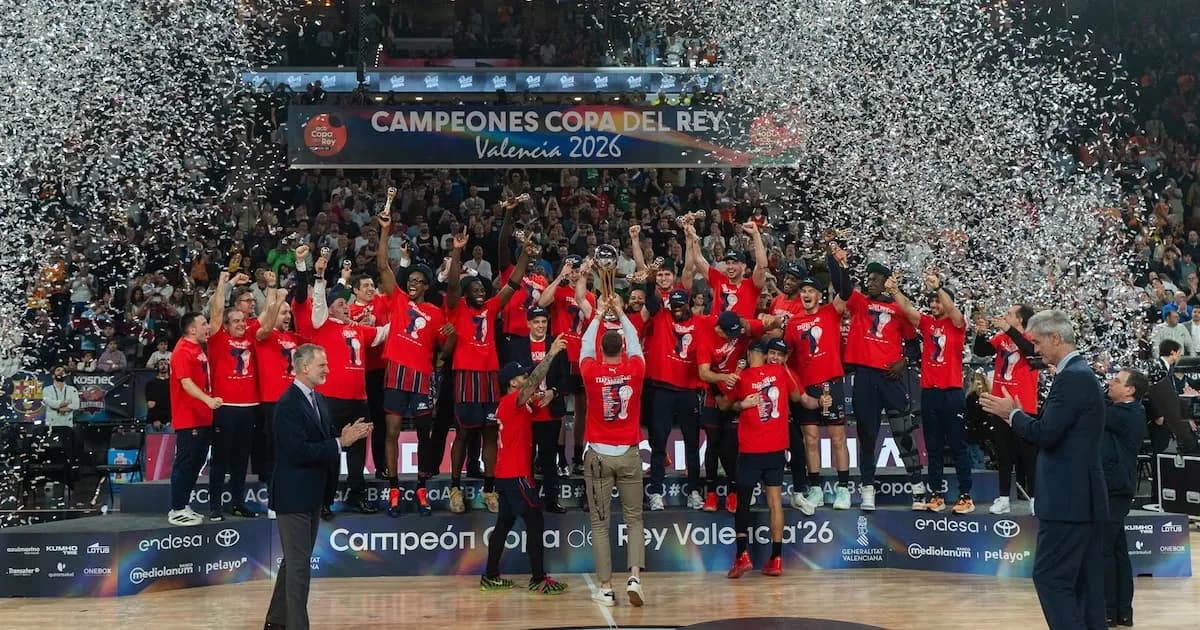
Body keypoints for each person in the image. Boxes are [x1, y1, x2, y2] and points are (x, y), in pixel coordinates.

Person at [981, 310, 1108, 630]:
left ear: (1056, 338)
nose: (1033, 349)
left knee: (1051, 578)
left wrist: (1013, 415)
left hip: (1069, 500)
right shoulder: (1078, 374)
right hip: (1079, 498)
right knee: (1083, 583)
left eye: (1037, 342)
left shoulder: (1074, 377)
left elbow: (1046, 434)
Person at [264, 344, 372, 630]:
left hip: (312, 495)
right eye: (322, 365)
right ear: (303, 368)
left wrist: (347, 434)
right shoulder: (287, 405)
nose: (327, 369)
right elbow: (298, 451)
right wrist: (340, 442)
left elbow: (325, 438)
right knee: (299, 567)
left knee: (293, 562)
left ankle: (275, 622)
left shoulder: (319, 399)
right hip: (293, 496)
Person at [445, 227, 532, 513]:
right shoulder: (457, 308)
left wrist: (526, 255)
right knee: (464, 433)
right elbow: (455, 284)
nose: (481, 293)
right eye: (476, 290)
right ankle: (455, 487)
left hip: (489, 376)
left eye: (483, 289)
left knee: (490, 433)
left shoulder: (492, 307)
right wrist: (458, 250)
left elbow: (514, 283)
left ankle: (489, 489)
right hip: (466, 375)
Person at [827, 246, 919, 510]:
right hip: (865, 376)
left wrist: (904, 361)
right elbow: (841, 287)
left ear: (886, 282)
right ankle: (868, 487)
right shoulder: (858, 302)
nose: (872, 282)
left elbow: (914, 346)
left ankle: (917, 487)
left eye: (877, 279)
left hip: (890, 376)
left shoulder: (899, 309)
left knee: (903, 433)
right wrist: (837, 262)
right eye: (869, 278)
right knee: (867, 435)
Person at [726, 338, 823, 578]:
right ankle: (776, 559)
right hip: (776, 449)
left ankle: (742, 556)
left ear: (750, 354)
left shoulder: (744, 377)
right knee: (775, 502)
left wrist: (741, 403)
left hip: (751, 449)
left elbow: (726, 404)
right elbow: (797, 397)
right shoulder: (781, 371)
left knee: (744, 501)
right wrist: (820, 401)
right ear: (765, 354)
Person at [480, 337, 570, 595]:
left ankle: (490, 575)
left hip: (505, 474)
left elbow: (535, 394)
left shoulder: (510, 405)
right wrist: (551, 354)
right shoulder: (511, 402)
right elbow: (533, 383)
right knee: (535, 521)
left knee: (503, 524)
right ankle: (538, 578)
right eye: (521, 377)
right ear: (512, 383)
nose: (526, 379)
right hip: (517, 474)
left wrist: (548, 393)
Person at [376, 217, 451, 516]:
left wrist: (450, 339)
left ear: (426, 286)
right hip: (396, 371)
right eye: (410, 280)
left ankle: (421, 489)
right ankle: (393, 488)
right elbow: (383, 266)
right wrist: (385, 231)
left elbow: (443, 352)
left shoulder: (435, 312)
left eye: (418, 281)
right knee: (391, 431)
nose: (412, 283)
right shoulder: (397, 300)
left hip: (422, 375)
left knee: (424, 434)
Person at [580, 296, 647, 608]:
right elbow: (635, 342)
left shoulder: (590, 371)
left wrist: (598, 315)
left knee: (600, 523)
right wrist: (620, 311)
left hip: (598, 456)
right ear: (620, 349)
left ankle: (606, 587)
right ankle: (634, 577)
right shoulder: (635, 369)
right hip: (630, 454)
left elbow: (584, 345)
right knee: (634, 519)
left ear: (600, 351)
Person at [889, 273, 973, 513]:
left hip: (952, 393)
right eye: (931, 301)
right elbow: (908, 310)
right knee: (933, 447)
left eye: (937, 300)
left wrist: (939, 287)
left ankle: (965, 495)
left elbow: (954, 312)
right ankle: (936, 494)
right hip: (930, 393)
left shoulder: (957, 325)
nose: (934, 304)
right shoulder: (927, 323)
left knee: (958, 447)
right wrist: (895, 291)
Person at [783, 273, 852, 514]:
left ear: (820, 296)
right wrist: (799, 391)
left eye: (811, 291)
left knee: (838, 438)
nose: (805, 295)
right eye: (803, 291)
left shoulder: (830, 312)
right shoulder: (792, 324)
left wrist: (838, 264)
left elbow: (846, 290)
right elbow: (786, 360)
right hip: (807, 387)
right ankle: (816, 489)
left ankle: (843, 488)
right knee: (810, 440)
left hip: (831, 383)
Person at [972, 304, 1041, 514]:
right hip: (1000, 404)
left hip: (1023, 406)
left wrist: (1008, 329)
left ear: (1020, 320)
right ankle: (1003, 498)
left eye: (1010, 314)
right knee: (1003, 454)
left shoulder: (1032, 338)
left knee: (1028, 456)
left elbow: (1029, 351)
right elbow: (981, 351)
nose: (1005, 316)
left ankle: (1035, 499)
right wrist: (981, 335)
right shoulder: (1002, 338)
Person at [503, 305, 570, 513]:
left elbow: (566, 378)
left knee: (550, 458)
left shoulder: (556, 345)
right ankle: (527, 499)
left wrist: (553, 392)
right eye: (536, 322)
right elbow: (511, 377)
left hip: (549, 411)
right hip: (526, 412)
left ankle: (552, 500)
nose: (541, 325)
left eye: (544, 322)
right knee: (526, 458)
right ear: (528, 324)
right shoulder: (517, 346)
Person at [1102, 369, 1149, 628]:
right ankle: (1122, 612)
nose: (1110, 383)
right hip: (1117, 487)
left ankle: (1109, 610)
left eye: (1117, 381)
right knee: (1118, 551)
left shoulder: (1123, 414)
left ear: (1130, 390)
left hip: (1114, 489)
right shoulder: (1128, 412)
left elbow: (1094, 409)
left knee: (1105, 550)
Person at [167, 312, 222, 527]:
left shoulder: (197, 347)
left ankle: (184, 504)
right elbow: (186, 383)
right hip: (188, 417)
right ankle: (177, 508)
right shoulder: (181, 350)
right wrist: (208, 401)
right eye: (203, 324)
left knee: (196, 463)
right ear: (191, 329)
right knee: (185, 463)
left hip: (202, 417)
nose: (207, 327)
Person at [144, 359, 172, 432]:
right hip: (154, 422)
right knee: (154, 443)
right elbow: (151, 404)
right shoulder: (151, 383)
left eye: (165, 364)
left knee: (170, 443)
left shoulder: (173, 383)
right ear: (157, 367)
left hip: (171, 421)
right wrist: (155, 419)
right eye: (161, 364)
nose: (163, 366)